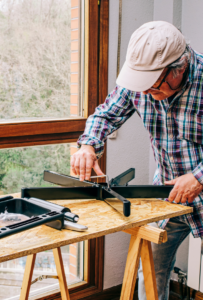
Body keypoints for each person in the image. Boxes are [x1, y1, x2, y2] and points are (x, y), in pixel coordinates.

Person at [71, 20, 203, 300]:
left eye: (153, 88)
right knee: (151, 269)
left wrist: (199, 177)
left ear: (179, 68)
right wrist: (88, 146)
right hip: (169, 195)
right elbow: (104, 115)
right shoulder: (141, 83)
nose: (145, 94)